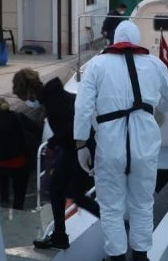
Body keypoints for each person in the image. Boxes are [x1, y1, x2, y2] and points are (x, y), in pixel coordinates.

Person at [74, 20, 168, 261]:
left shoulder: (97, 65)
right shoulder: (155, 64)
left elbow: (83, 107)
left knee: (111, 206)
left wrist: (80, 144)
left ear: (114, 39)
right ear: (137, 39)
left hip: (110, 146)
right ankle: (141, 259)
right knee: (143, 203)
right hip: (145, 144)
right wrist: (158, 107)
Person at [12, 68, 101, 250]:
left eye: (24, 97)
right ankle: (59, 236)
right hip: (72, 148)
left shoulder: (54, 101)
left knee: (75, 194)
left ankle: (115, 224)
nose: (27, 102)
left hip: (81, 148)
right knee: (56, 189)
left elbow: (70, 127)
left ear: (29, 91)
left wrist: (51, 144)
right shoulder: (52, 97)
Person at [0, 97, 39, 210]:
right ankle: (18, 207)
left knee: (1, 178)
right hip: (19, 161)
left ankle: (4, 200)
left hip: (0, 162)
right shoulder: (19, 117)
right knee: (19, 186)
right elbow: (36, 128)